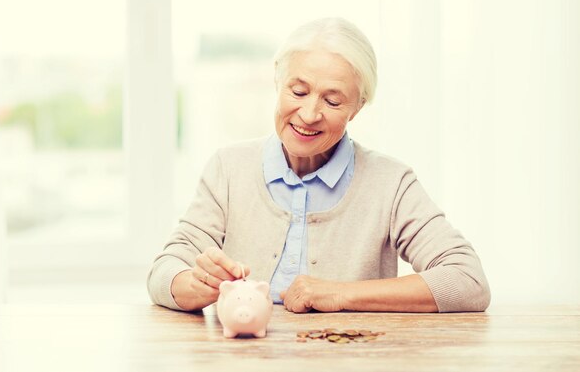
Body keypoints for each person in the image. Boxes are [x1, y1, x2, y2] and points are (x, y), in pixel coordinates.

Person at [147, 17, 491, 313]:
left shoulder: (392, 183)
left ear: (357, 107)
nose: (310, 114)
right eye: (297, 92)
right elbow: (164, 271)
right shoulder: (228, 168)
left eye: (332, 100)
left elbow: (467, 280)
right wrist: (195, 285)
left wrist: (338, 293)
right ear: (278, 83)